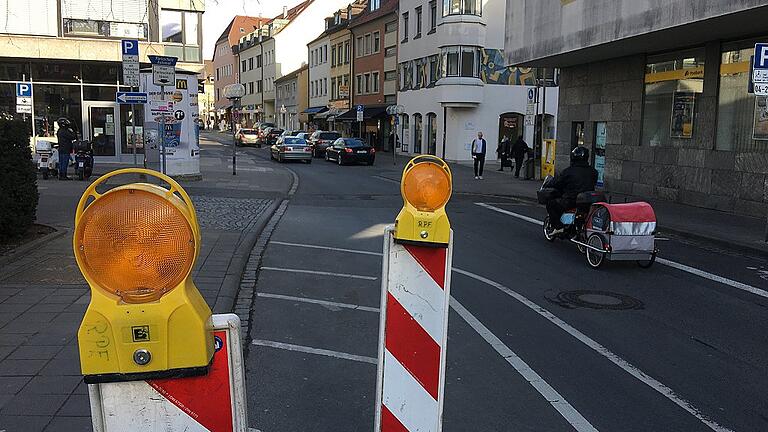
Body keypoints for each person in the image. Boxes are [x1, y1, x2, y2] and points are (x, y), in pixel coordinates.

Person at [546, 146, 598, 233]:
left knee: (551, 204)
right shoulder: (593, 171)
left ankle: (558, 227)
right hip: (588, 201)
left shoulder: (568, 171)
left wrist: (549, 184)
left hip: (571, 200)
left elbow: (558, 183)